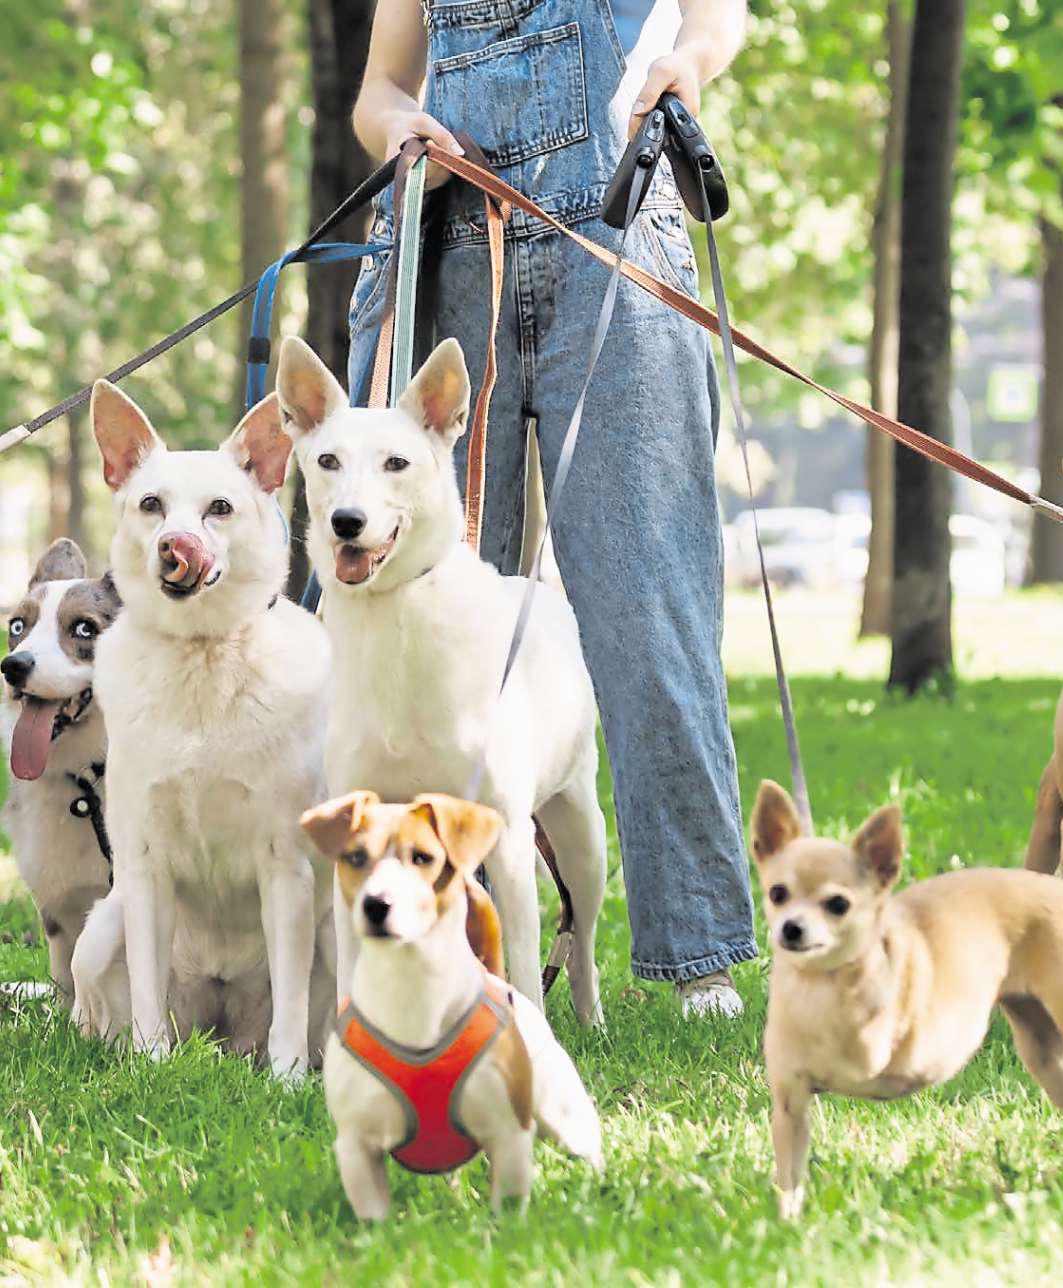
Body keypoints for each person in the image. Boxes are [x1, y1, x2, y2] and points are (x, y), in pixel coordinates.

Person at [347, 0, 755, 1018]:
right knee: (415, 611)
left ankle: (696, 948)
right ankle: (438, 935)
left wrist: (690, 63)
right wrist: (402, 129)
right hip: (446, 245)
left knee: (648, 603)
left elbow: (716, 18)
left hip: (615, 236)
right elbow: (380, 87)